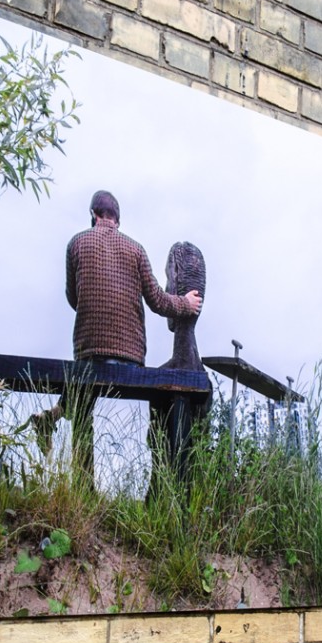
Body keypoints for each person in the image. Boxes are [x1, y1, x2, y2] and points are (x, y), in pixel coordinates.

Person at [63, 190, 201, 481]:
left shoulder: (76, 243)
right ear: (118, 220)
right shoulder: (136, 249)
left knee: (81, 403)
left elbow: (74, 299)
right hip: (130, 359)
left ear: (93, 215)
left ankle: (83, 485)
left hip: (88, 355)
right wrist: (186, 303)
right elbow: (158, 302)